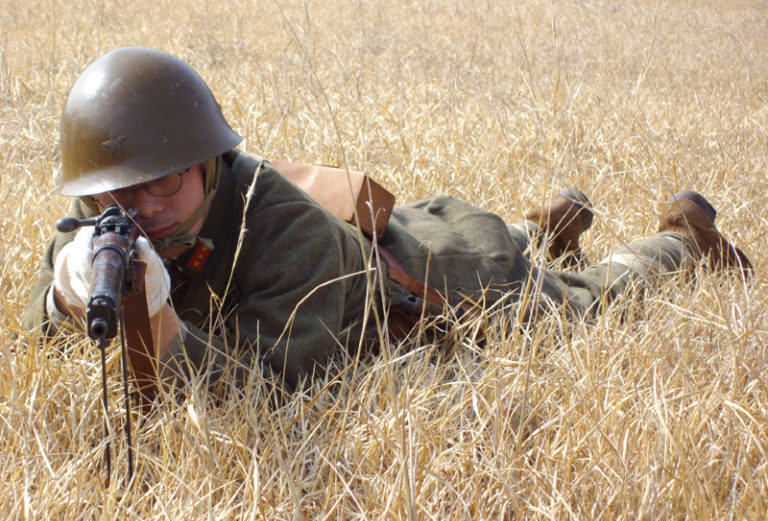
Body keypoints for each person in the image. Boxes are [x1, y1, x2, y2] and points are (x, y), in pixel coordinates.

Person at [24, 47, 752, 398]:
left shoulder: (284, 232)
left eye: (164, 182)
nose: (142, 210)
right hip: (408, 229)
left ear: (209, 164)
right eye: (116, 196)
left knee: (586, 301)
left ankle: (682, 241)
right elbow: (38, 318)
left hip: (440, 279)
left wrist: (162, 331)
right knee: (506, 243)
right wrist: (64, 292)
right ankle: (547, 230)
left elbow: (270, 389)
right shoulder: (109, 213)